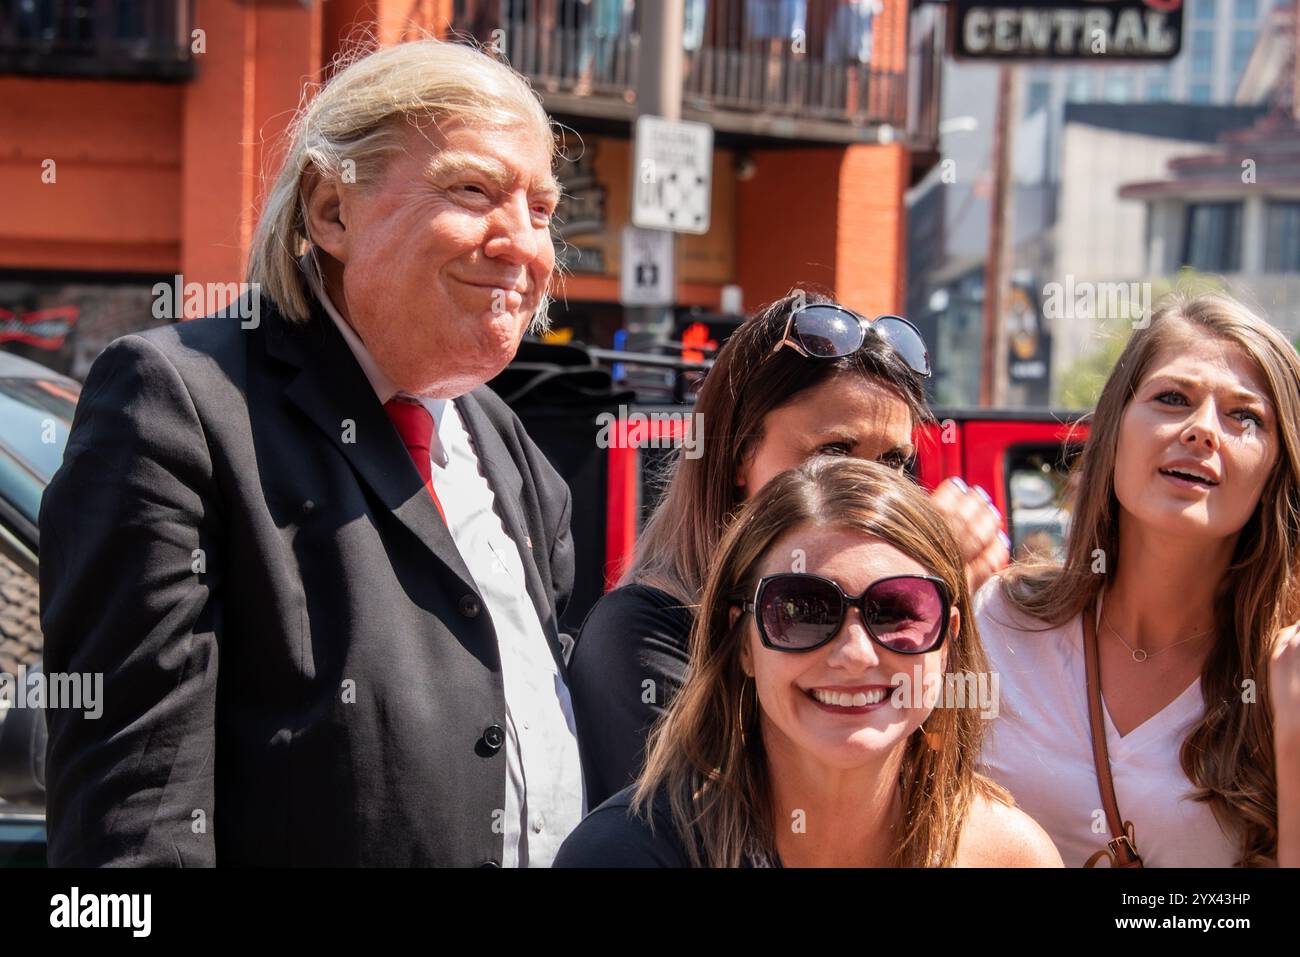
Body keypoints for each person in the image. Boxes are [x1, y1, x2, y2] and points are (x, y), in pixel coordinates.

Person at [39, 38, 582, 867]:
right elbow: (136, 830)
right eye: (473, 191)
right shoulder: (178, 405)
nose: (524, 245)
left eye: (541, 210)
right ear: (332, 210)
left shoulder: (504, 443)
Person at [569, 289, 1011, 808]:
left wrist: (924, 615)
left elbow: (933, 803)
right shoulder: (647, 628)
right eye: (831, 454)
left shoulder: (900, 618)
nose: (864, 491)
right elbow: (726, 827)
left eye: (891, 463)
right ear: (737, 456)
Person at [555, 456, 1062, 867]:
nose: (854, 654)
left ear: (947, 639)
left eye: (898, 611)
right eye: (801, 611)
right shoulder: (625, 854)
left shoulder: (1011, 855)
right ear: (743, 641)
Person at [975, 291, 1300, 867]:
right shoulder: (994, 621)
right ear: (1115, 430)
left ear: (1279, 466)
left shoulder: (1285, 672)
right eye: (1173, 398)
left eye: (1244, 416)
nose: (1203, 430)